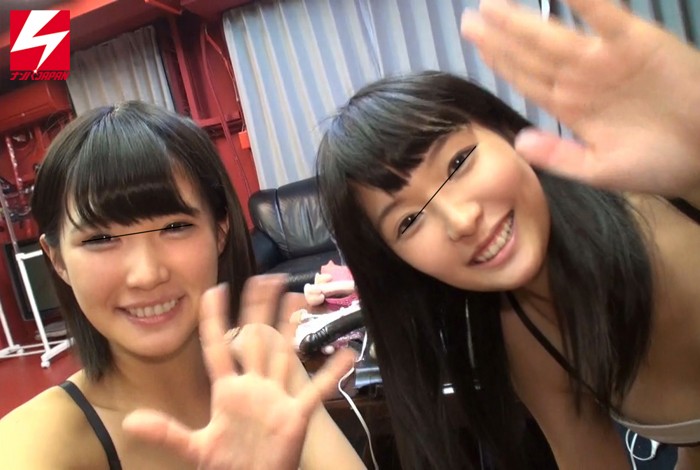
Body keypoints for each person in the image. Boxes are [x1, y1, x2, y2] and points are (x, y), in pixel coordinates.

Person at [315, 1, 700, 469]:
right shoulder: (525, 333)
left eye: (458, 163)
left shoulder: (665, 202)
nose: (461, 220)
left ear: (504, 130)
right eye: (409, 222)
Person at [0, 101, 363, 470]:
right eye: (100, 239)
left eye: (175, 227)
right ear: (58, 259)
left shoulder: (259, 358)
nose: (146, 274)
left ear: (219, 231)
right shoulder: (35, 443)